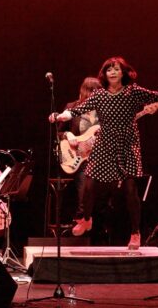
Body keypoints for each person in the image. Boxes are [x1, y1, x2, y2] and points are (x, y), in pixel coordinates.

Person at [49, 56, 158, 250]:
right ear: (104, 74)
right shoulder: (99, 95)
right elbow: (76, 110)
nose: (113, 72)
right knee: (90, 184)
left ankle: (135, 233)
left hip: (127, 144)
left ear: (123, 72)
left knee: (130, 189)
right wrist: (60, 115)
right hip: (104, 143)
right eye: (109, 70)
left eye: (116, 69)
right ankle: (87, 219)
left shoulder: (133, 91)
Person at [57, 77, 102, 222]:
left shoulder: (104, 111)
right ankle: (82, 216)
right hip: (79, 157)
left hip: (101, 156)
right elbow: (57, 133)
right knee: (85, 178)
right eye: (90, 93)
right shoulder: (72, 107)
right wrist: (68, 134)